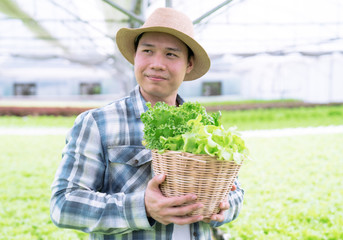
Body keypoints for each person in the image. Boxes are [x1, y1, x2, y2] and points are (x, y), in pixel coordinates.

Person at [50, 7, 244, 240]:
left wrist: (225, 207)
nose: (157, 64)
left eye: (171, 54)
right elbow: (63, 205)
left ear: (189, 64)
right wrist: (143, 207)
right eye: (148, 51)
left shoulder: (205, 128)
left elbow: (235, 192)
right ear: (135, 55)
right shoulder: (98, 124)